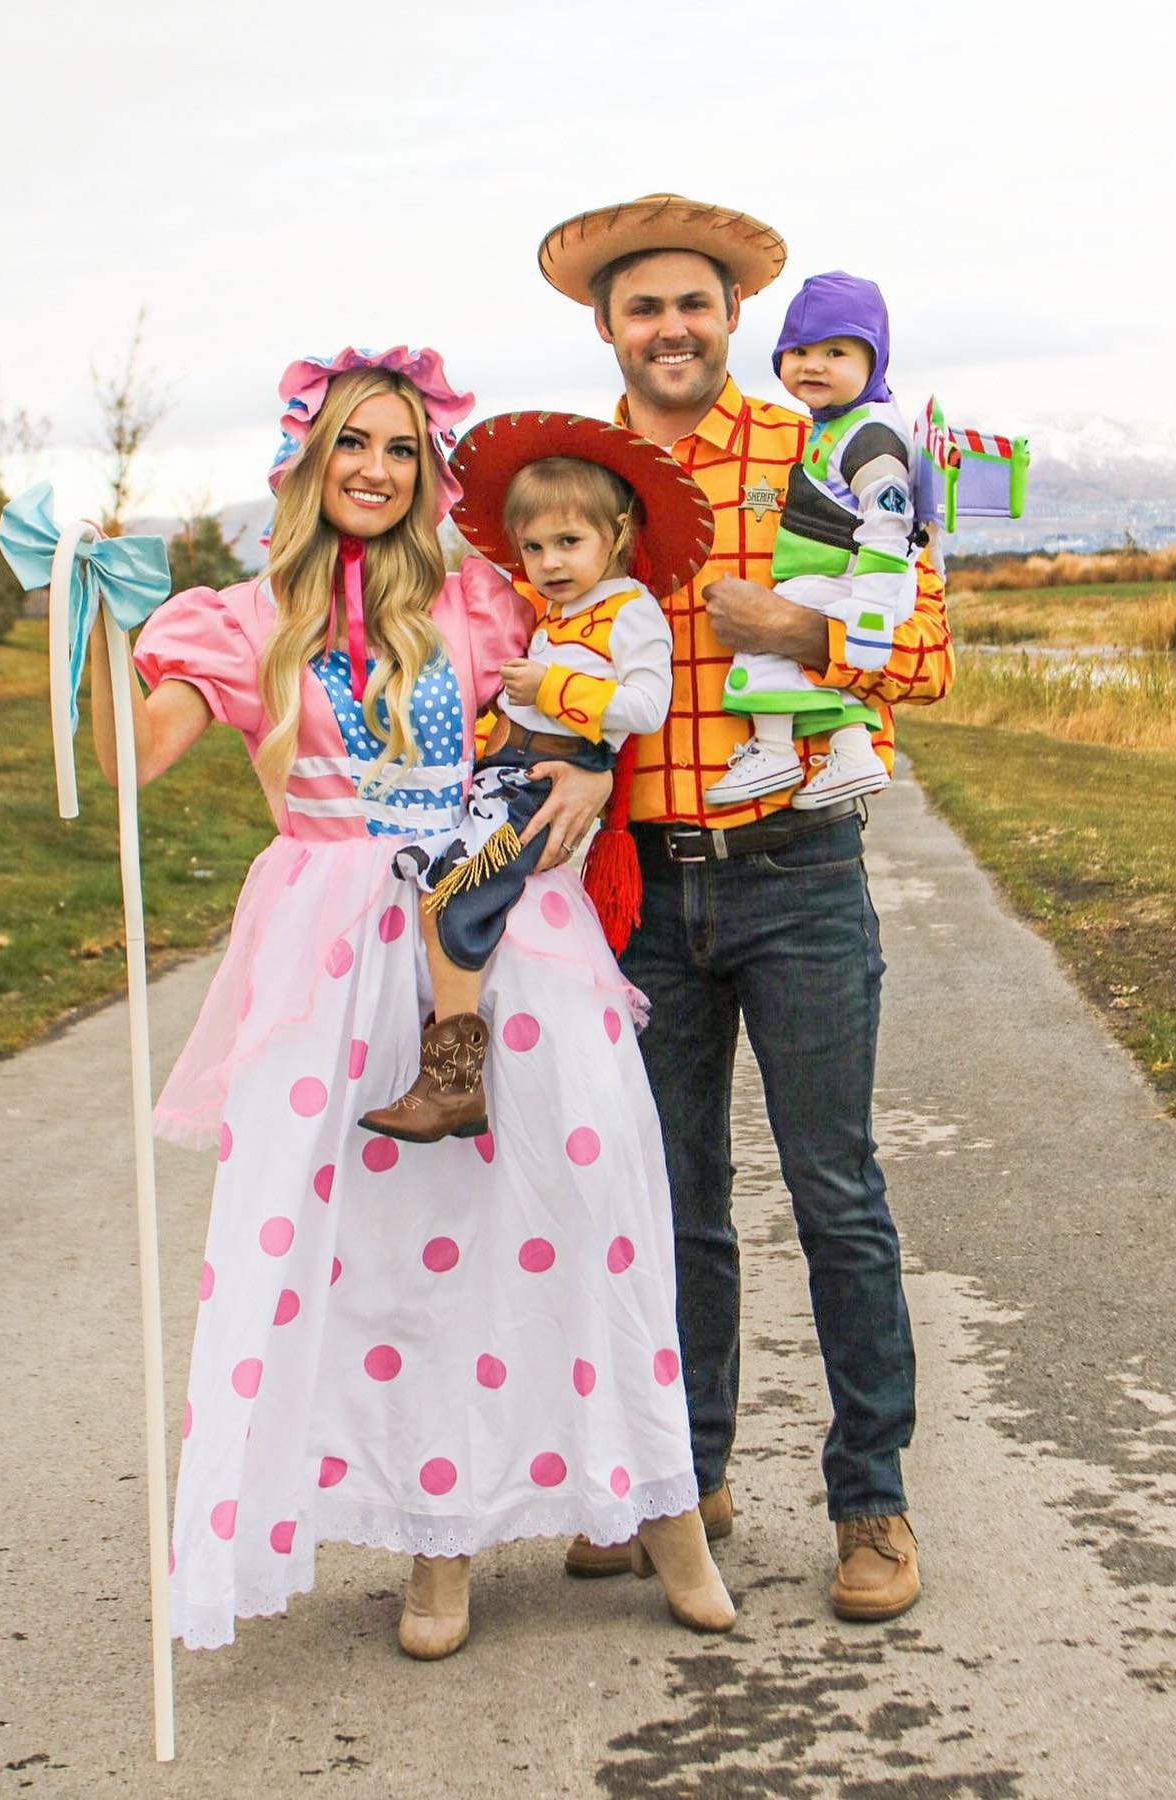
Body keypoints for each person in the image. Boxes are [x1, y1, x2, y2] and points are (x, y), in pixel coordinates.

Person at [92, 344, 733, 1659]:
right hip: (333, 957)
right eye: (352, 444)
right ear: (307, 461)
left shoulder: (486, 599)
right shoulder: (242, 615)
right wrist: (100, 627)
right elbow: (129, 761)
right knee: (400, 1255)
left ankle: (664, 1508)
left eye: (398, 447)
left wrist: (600, 779)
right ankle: (434, 1546)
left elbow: (583, 716)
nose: (377, 470)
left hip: (501, 930)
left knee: (591, 1203)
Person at [534, 195, 956, 1620]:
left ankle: (872, 1505)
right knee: (670, 1204)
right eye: (642, 307)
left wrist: (805, 628)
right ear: (608, 328)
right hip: (639, 892)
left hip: (797, 873)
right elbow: (513, 646)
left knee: (837, 1192)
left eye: (695, 305)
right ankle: (685, 1487)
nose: (671, 328)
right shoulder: (572, 484)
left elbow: (933, 651)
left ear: (733, 321)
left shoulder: (822, 447)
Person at [356, 413, 712, 1145]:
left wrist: (550, 687)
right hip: (505, 771)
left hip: (546, 779)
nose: (549, 562)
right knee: (431, 885)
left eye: (569, 542)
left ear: (615, 534)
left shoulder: (630, 612)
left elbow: (644, 707)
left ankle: (453, 1081)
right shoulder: (553, 616)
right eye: (534, 547)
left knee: (454, 895)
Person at [705, 270, 916, 811]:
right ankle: (850, 752)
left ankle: (775, 749)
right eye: (798, 350)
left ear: (875, 360)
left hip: (856, 577)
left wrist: (869, 608)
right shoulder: (835, 427)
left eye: (837, 351)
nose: (813, 364)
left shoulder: (870, 435)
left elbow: (889, 521)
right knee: (813, 669)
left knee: (762, 639)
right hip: (839, 574)